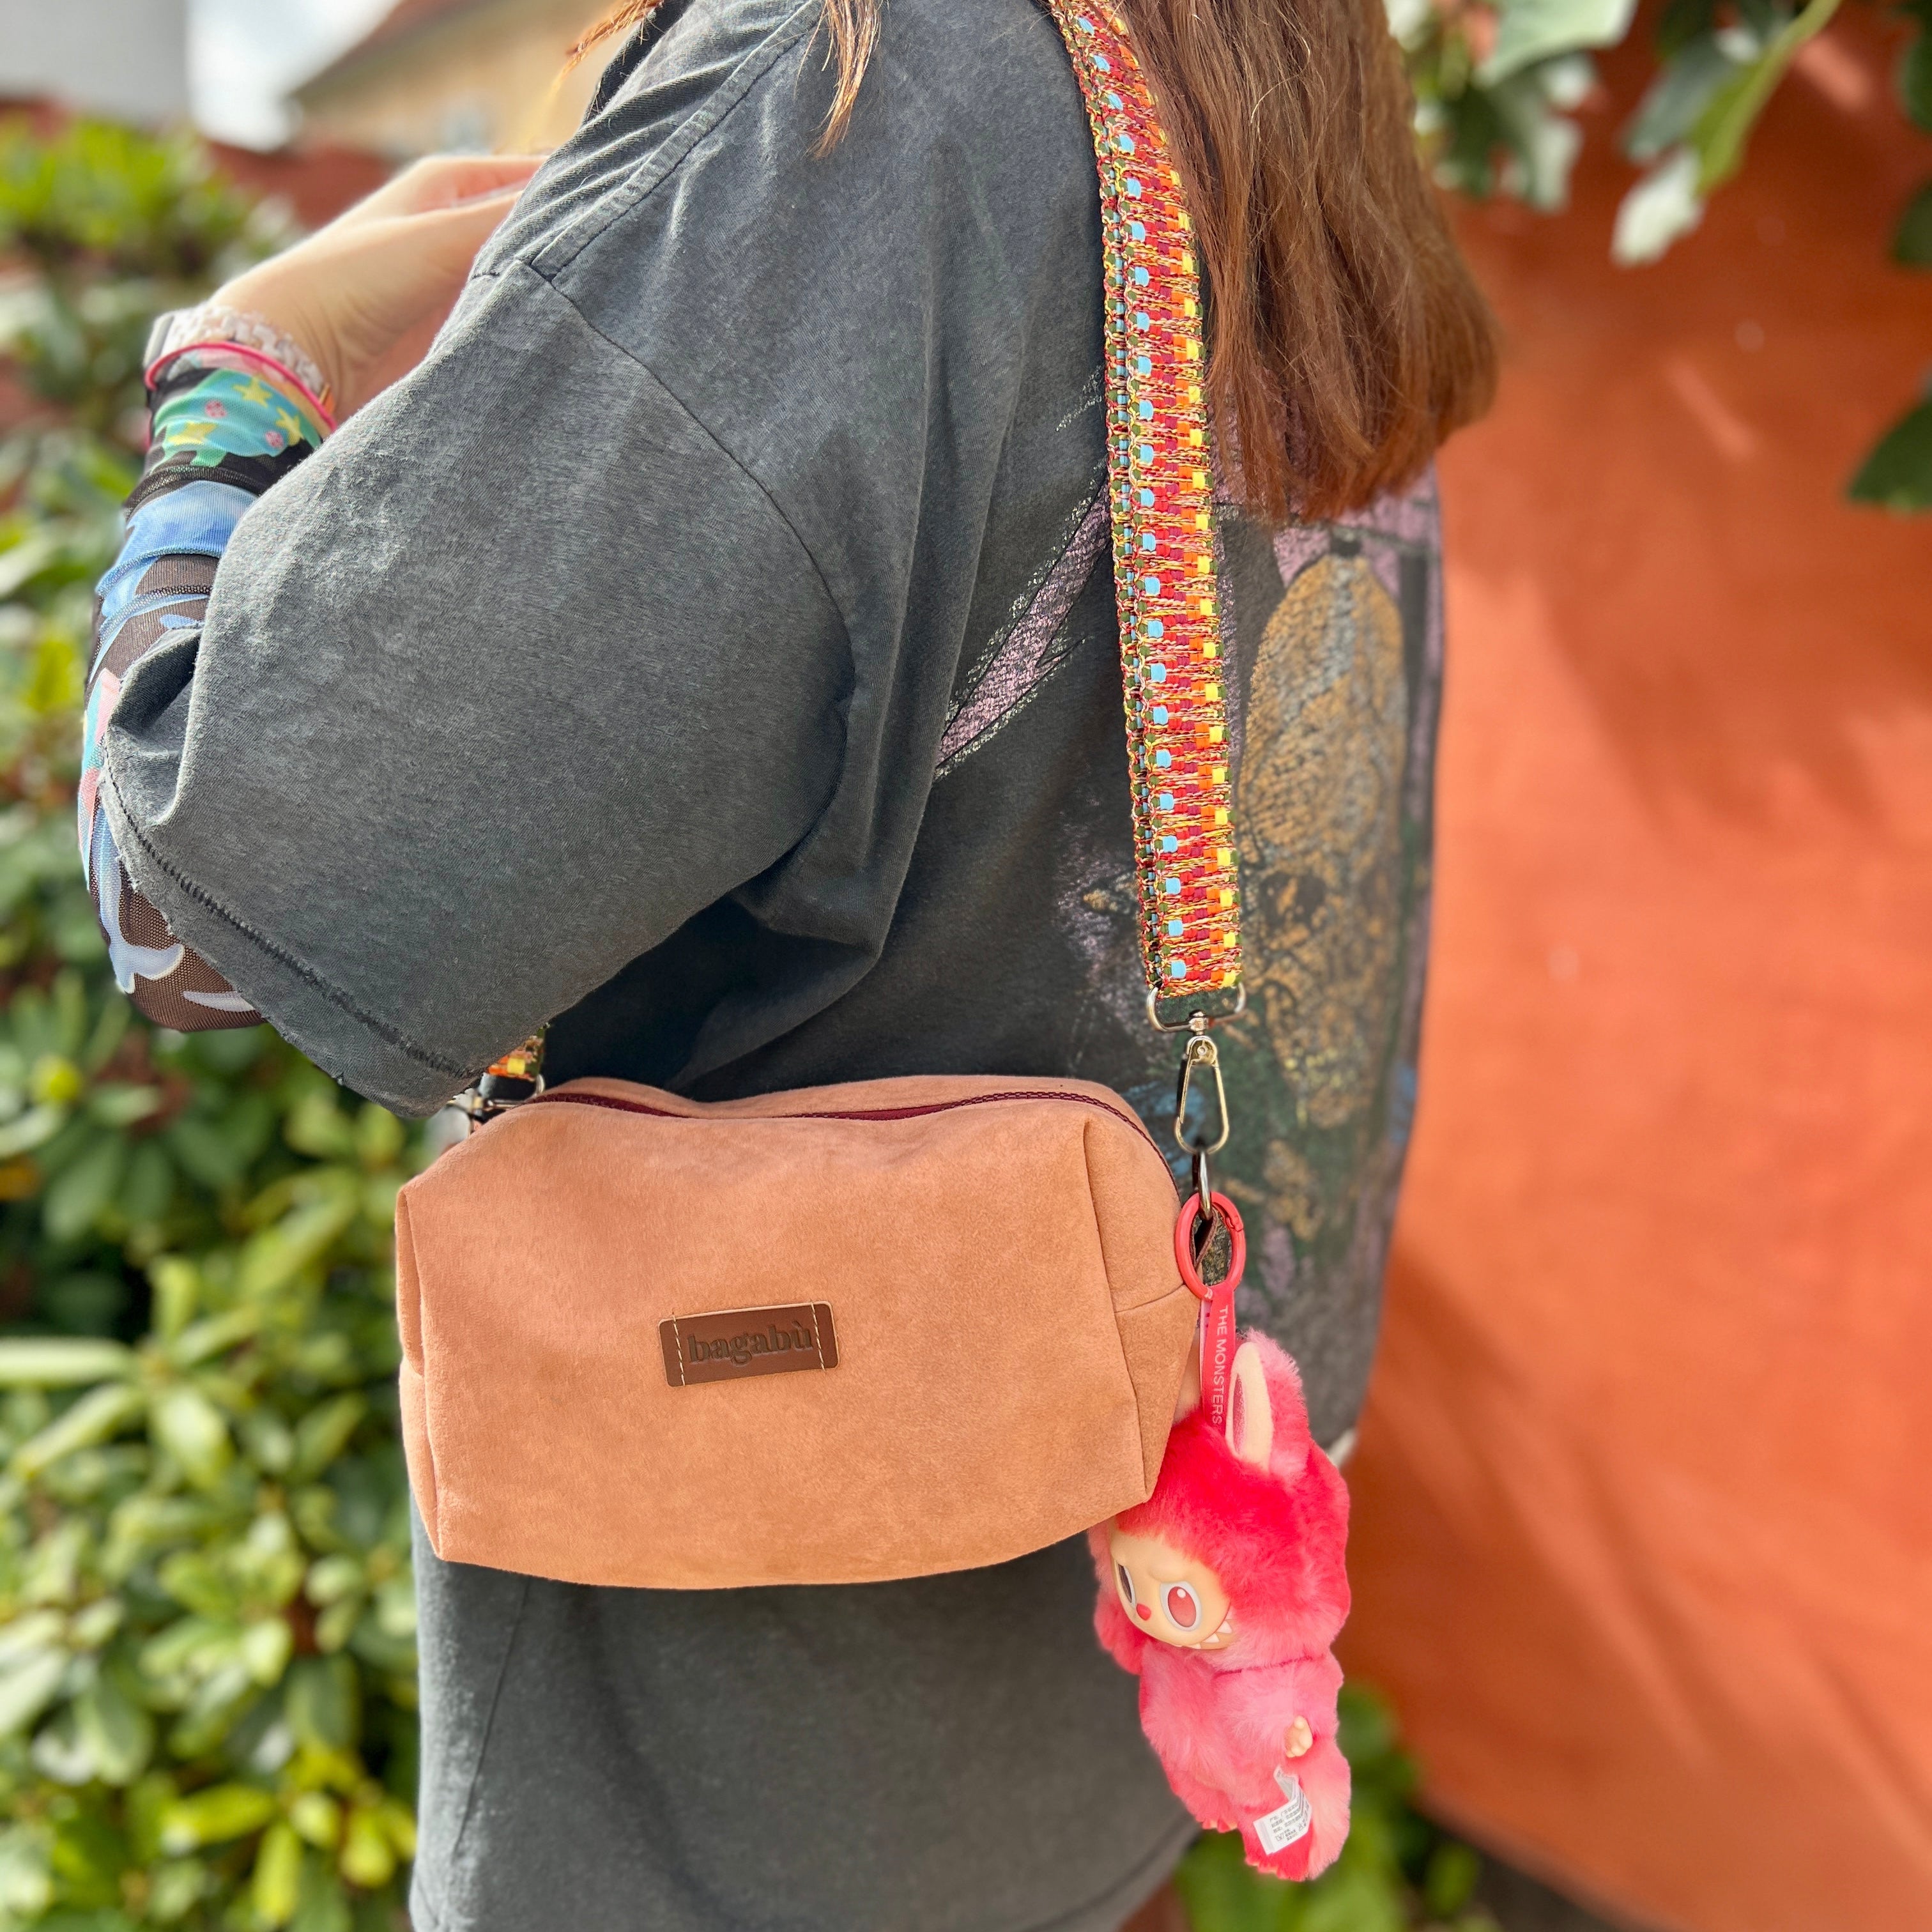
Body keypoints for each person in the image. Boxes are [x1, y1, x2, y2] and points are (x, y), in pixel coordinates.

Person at [79, 0, 1496, 1924]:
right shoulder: (1260, 61)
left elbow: (200, 901)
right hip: (1094, 1708)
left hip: (734, 1810)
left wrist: (244, 378)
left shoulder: (855, 108)